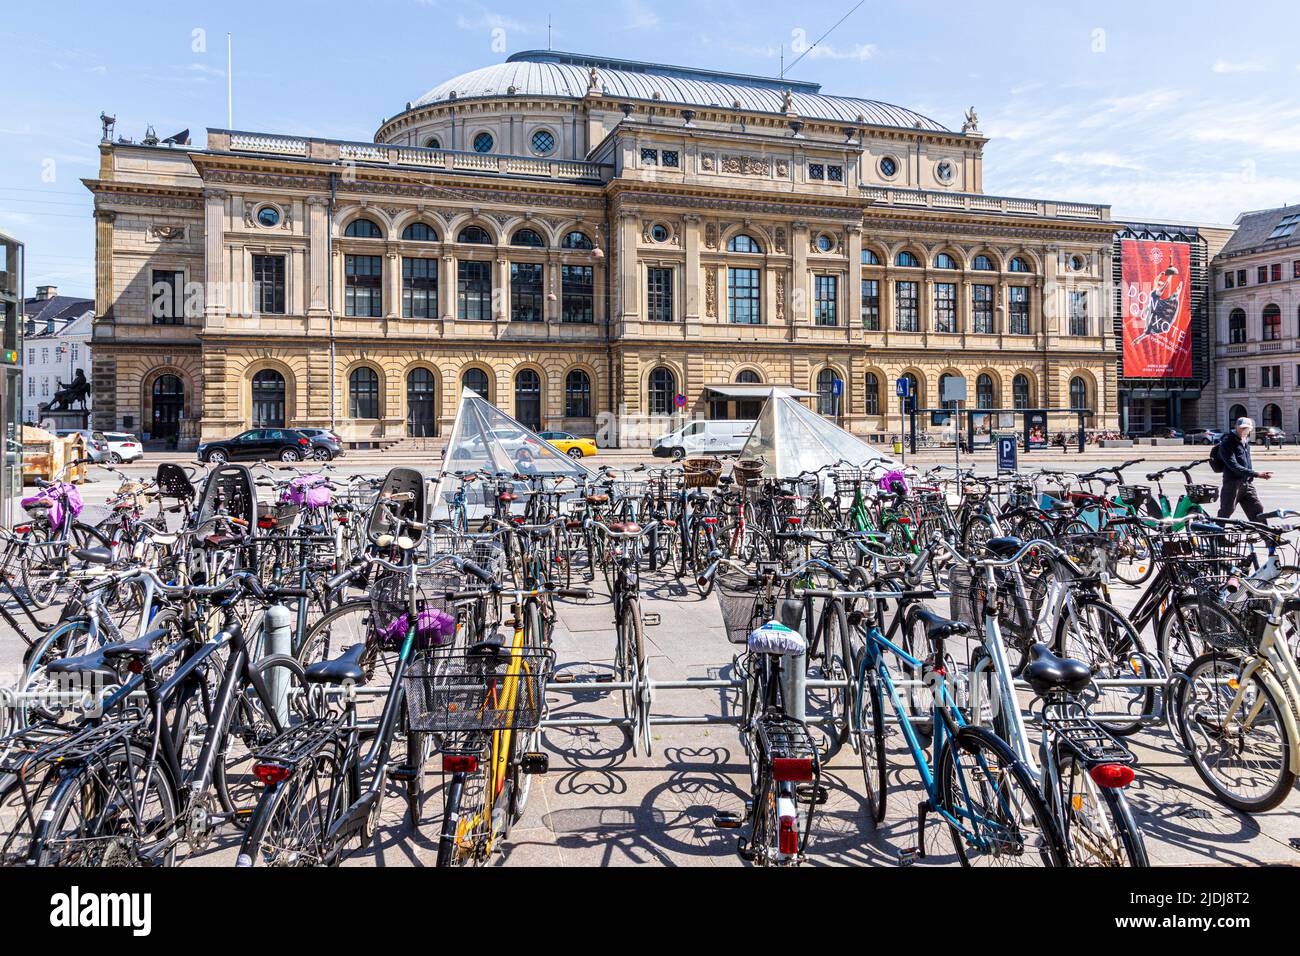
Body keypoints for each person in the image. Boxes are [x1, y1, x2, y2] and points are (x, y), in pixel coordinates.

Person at [1216, 417, 1271, 521]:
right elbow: (1234, 466)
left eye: (1247, 429)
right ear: (1236, 427)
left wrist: (1251, 476)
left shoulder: (1245, 442)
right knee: (1226, 511)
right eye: (1242, 428)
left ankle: (1266, 536)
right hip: (1232, 484)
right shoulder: (1227, 442)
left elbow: (1247, 463)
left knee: (1257, 510)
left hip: (1247, 483)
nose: (1244, 431)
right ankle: (1217, 537)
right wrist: (1257, 474)